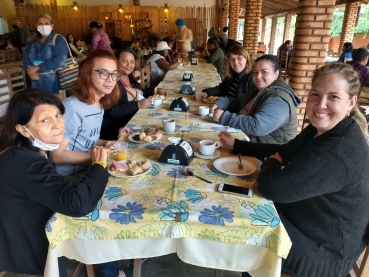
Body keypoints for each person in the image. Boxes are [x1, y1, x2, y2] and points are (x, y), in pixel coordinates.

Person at [218, 62, 369, 277]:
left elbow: (272, 187)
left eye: (334, 97)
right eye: (316, 94)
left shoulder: (337, 151)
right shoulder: (323, 129)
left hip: (320, 252)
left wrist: (271, 164)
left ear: (351, 103)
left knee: (240, 225)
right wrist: (238, 145)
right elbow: (285, 150)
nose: (320, 105)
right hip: (310, 220)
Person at [0, 88, 110, 276]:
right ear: (22, 129)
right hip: (24, 255)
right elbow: (77, 204)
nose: (57, 125)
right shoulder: (29, 164)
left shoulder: (20, 150)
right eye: (45, 120)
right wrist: (99, 165)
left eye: (58, 115)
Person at [49, 49, 128, 277]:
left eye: (114, 74)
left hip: (89, 171)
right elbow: (57, 155)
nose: (110, 79)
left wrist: (107, 143)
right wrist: (95, 158)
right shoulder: (73, 108)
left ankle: (116, 260)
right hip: (69, 181)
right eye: (103, 73)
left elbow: (88, 140)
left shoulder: (98, 103)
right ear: (87, 73)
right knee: (106, 213)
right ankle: (106, 270)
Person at [210, 54, 301, 144]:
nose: (258, 76)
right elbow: (239, 103)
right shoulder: (256, 89)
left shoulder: (279, 100)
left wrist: (224, 117)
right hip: (245, 140)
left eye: (264, 72)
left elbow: (258, 126)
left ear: (276, 74)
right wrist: (220, 102)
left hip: (268, 153)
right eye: (256, 72)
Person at [100, 48, 168, 140]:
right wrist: (137, 105)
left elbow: (139, 92)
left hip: (136, 115)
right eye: (125, 61)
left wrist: (156, 89)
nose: (129, 65)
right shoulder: (113, 82)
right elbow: (111, 111)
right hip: (120, 127)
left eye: (132, 62)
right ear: (116, 61)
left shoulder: (129, 76)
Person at [23, 13, 68, 93]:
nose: (43, 26)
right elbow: (25, 58)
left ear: (52, 26)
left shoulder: (58, 39)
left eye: (46, 23)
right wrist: (29, 71)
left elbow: (60, 60)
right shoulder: (31, 41)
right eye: (40, 24)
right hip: (35, 81)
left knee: (52, 103)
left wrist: (38, 67)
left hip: (54, 81)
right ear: (36, 26)